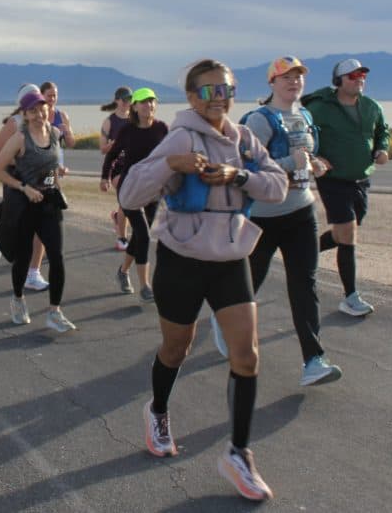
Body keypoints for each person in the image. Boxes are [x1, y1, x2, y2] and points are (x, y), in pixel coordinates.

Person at [119, 58, 286, 501]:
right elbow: (130, 194)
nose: (221, 98)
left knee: (247, 355)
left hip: (231, 257)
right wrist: (171, 164)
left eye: (227, 89)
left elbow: (278, 184)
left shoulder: (244, 138)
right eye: (210, 91)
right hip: (182, 258)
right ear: (193, 97)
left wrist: (241, 175)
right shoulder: (179, 136)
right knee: (177, 348)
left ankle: (239, 452)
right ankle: (157, 410)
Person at [227, 56, 343, 386]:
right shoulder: (261, 121)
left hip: (302, 213)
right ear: (272, 83)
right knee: (249, 283)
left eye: (298, 77)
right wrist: (291, 162)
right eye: (285, 77)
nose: (293, 82)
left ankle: (313, 360)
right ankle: (228, 325)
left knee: (304, 284)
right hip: (265, 218)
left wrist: (314, 165)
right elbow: (247, 170)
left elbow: (305, 158)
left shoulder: (305, 115)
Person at [302, 58, 390, 317]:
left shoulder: (372, 106)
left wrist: (382, 147)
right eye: (353, 76)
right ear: (339, 80)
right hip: (333, 180)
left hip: (360, 179)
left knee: (345, 232)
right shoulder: (319, 107)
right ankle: (350, 297)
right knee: (348, 235)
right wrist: (315, 157)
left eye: (362, 75)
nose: (359, 79)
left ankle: (305, 253)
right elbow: (301, 132)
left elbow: (383, 129)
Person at [0, 89, 77, 333]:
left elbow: (53, 164)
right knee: (23, 257)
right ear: (25, 115)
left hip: (49, 203)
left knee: (57, 257)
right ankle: (18, 299)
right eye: (33, 111)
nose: (39, 114)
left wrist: (58, 175)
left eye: (42, 109)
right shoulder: (19, 138)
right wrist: (24, 187)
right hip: (25, 205)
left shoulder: (55, 133)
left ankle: (55, 312)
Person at [101, 87, 167, 302]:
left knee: (140, 236)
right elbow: (111, 155)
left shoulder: (162, 128)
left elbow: (172, 154)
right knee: (144, 234)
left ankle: (122, 271)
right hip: (130, 189)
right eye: (144, 102)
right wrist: (105, 178)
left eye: (152, 101)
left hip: (153, 189)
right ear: (135, 107)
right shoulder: (128, 131)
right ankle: (145, 286)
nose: (149, 105)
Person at [0, 84, 49, 290]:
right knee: (14, 221)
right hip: (17, 180)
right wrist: (22, 161)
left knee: (39, 228)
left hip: (40, 182)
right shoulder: (15, 124)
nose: (38, 107)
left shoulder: (44, 121)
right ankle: (1, 240)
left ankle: (33, 273)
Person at [101, 87, 134, 252]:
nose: (129, 102)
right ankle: (122, 239)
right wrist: (112, 145)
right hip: (116, 168)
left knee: (129, 202)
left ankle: (117, 217)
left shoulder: (134, 119)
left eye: (130, 99)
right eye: (126, 99)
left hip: (132, 167)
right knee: (126, 197)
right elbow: (102, 148)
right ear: (118, 101)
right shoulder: (110, 122)